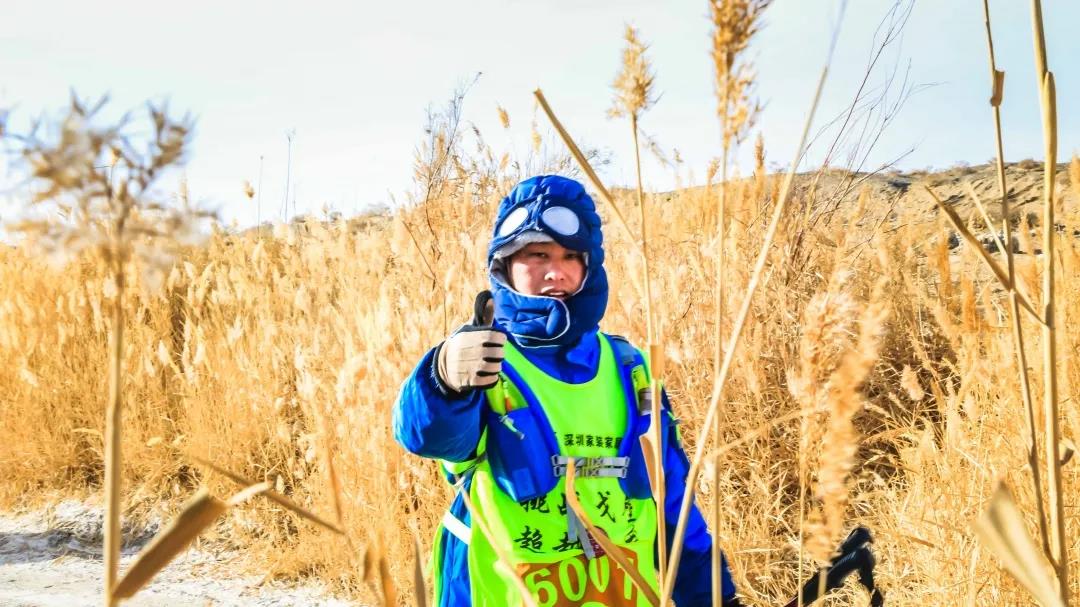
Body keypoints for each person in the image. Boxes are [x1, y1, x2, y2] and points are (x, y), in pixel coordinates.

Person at [393, 175, 740, 606]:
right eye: (537, 254)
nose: (555, 271)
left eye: (571, 256)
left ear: (589, 267)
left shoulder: (631, 369)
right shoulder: (481, 359)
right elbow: (428, 436)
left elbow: (672, 502)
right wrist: (441, 379)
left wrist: (713, 597)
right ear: (505, 265)